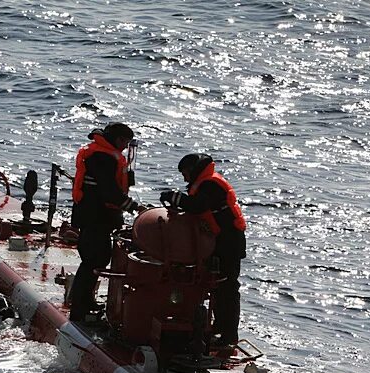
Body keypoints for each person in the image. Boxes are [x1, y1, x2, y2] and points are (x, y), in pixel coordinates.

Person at [160, 153, 246, 346]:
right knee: (215, 286)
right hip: (218, 243)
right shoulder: (205, 184)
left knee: (227, 288)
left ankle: (228, 335)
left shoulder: (210, 185)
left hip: (228, 244)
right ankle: (218, 328)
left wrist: (173, 197)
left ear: (194, 170)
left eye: (185, 173)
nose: (184, 178)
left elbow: (198, 206)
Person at [69, 122, 143, 321]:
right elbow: (109, 192)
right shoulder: (102, 157)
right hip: (95, 216)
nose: (126, 148)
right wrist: (134, 207)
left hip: (96, 216)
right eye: (125, 143)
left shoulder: (101, 153)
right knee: (93, 259)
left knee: (99, 258)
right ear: (118, 139)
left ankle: (86, 300)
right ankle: (79, 308)